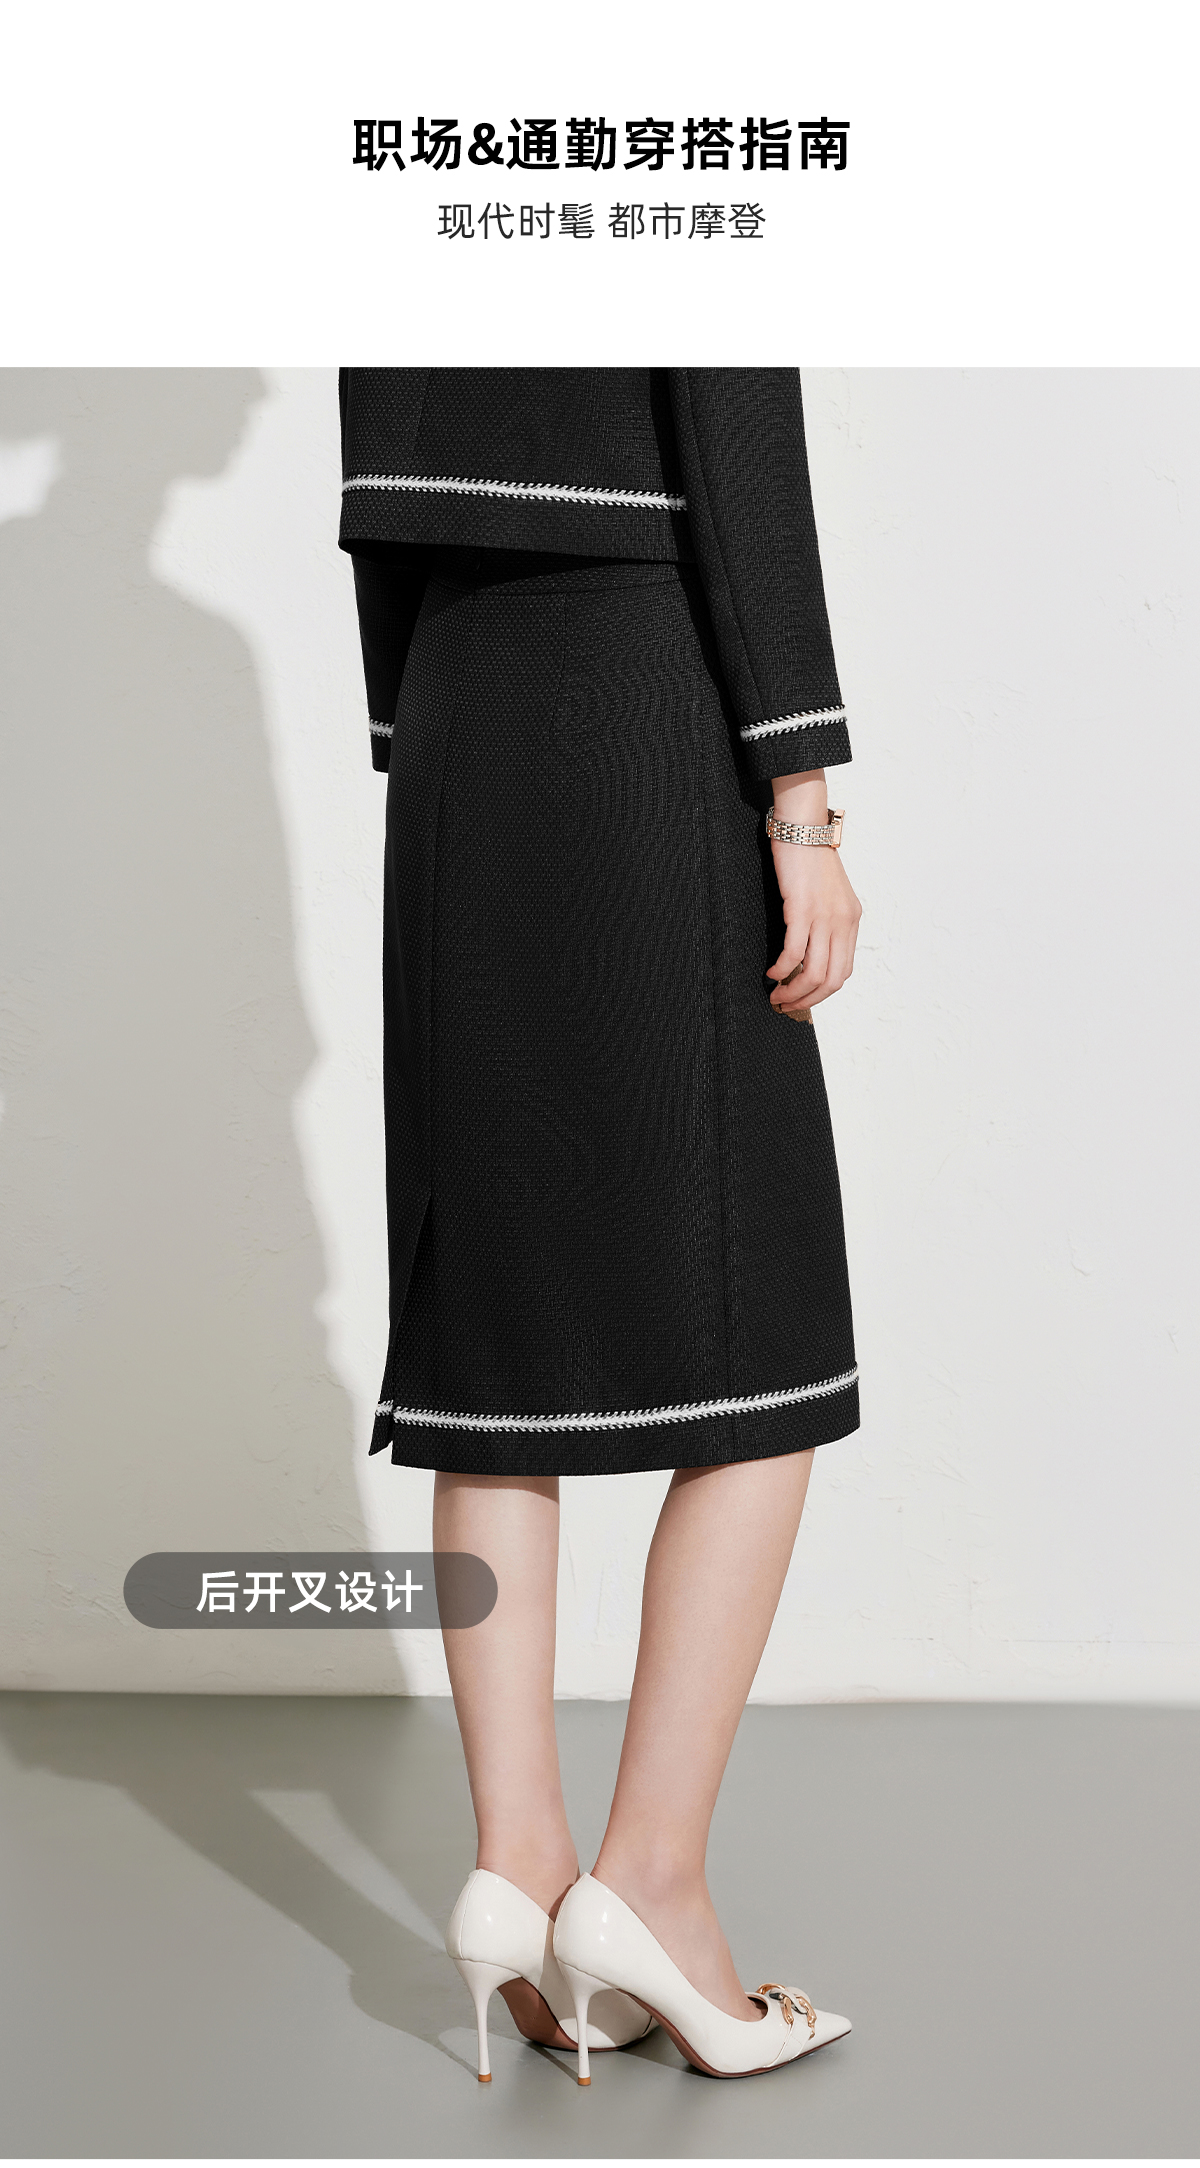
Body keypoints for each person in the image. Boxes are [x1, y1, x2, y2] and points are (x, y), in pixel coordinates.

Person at [338, 367, 861, 2082]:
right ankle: (652, 1886)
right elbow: (736, 431)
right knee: (771, 1341)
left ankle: (519, 1862)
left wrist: (424, 741)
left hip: (458, 717)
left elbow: (375, 500)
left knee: (493, 1340)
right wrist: (801, 792)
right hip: (645, 690)